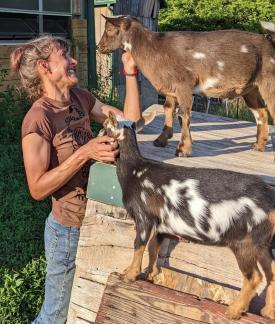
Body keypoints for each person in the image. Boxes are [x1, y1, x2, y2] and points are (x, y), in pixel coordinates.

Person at [10, 35, 141, 324]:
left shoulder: (81, 98)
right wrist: (85, 153)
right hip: (66, 231)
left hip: (95, 221)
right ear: (45, 67)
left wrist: (131, 71)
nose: (74, 61)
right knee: (55, 316)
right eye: (65, 56)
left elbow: (129, 120)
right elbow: (37, 188)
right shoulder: (38, 119)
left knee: (86, 306)